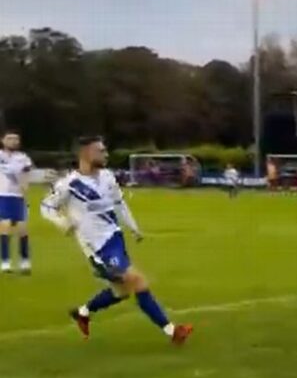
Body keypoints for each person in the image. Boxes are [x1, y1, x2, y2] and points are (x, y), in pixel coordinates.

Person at [40, 136, 193, 344]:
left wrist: (133, 227)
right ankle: (173, 331)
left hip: (115, 239)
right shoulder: (69, 184)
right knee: (137, 281)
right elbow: (46, 207)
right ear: (85, 154)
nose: (106, 154)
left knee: (121, 291)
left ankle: (83, 313)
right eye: (100, 151)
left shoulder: (107, 177)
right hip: (97, 247)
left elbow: (119, 203)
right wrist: (63, 223)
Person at [0, 129, 33, 274]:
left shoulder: (23, 158)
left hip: (17, 197)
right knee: (5, 226)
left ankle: (24, 261)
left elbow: (26, 175)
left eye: (15, 139)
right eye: (9, 138)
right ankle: (6, 261)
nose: (13, 141)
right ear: (3, 141)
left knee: (22, 229)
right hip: (2, 195)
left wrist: (25, 188)